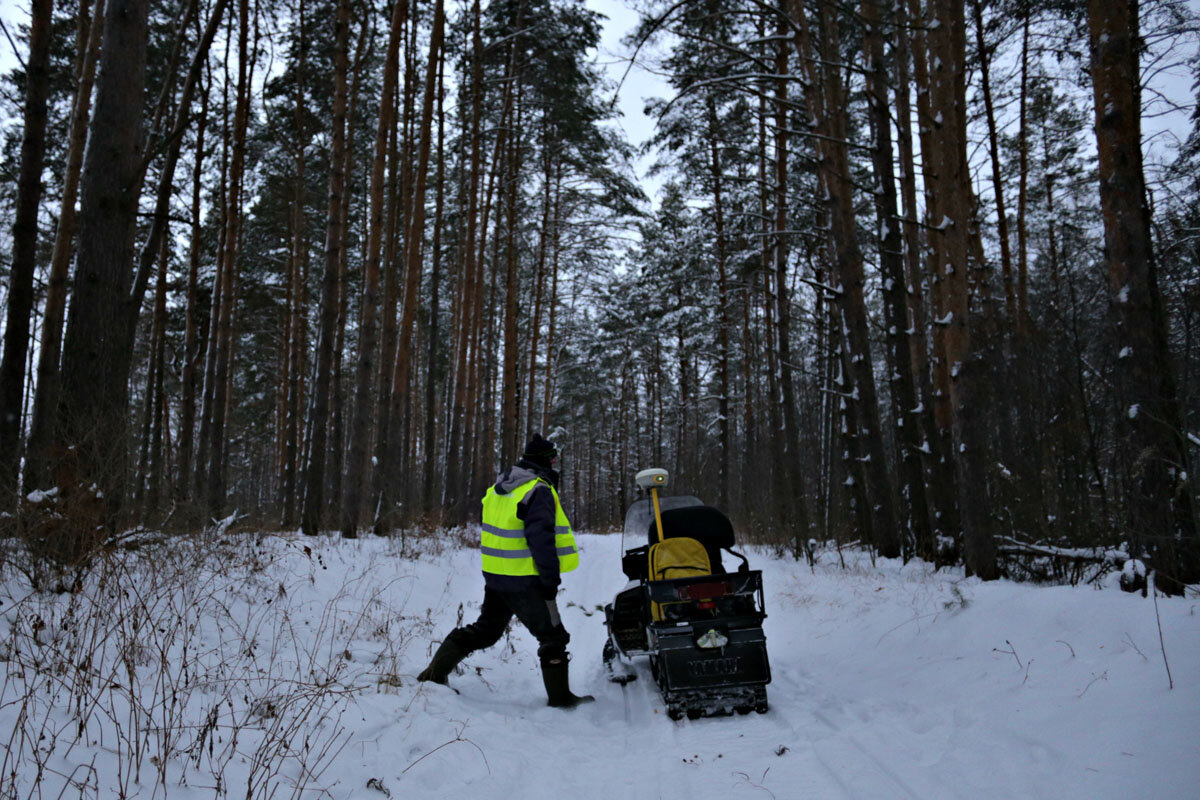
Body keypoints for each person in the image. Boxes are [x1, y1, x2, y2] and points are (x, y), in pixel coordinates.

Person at [417, 434, 594, 708]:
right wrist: (550, 580)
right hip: (526, 581)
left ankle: (434, 674)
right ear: (546, 461)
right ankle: (561, 699)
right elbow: (542, 539)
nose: (556, 463)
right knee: (553, 637)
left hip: (497, 578)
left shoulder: (500, 487)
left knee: (485, 631)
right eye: (554, 459)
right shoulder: (538, 489)